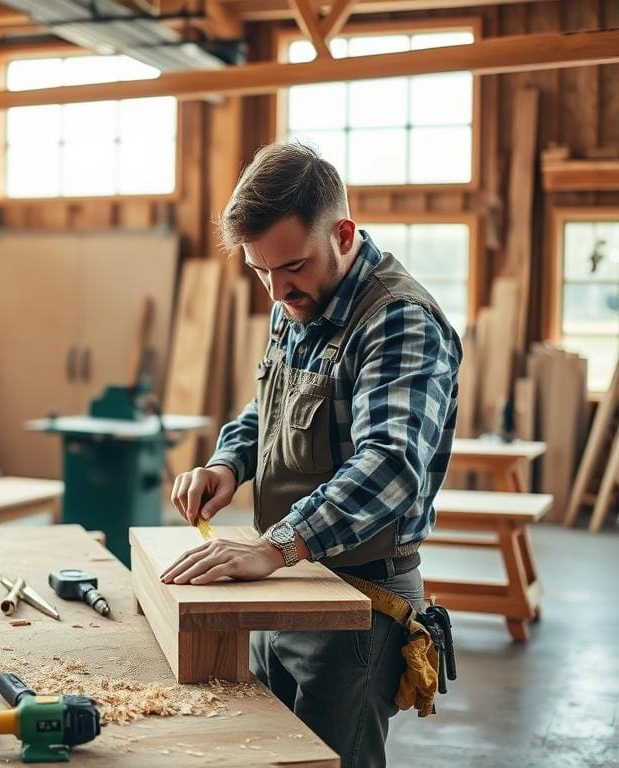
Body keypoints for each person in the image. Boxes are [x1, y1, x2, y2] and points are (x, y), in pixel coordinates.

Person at [162, 141, 462, 768]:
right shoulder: (297, 299)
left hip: (357, 604)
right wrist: (227, 464)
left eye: (291, 266)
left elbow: (392, 466)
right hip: (285, 580)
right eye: (260, 270)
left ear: (344, 234)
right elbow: (269, 410)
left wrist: (275, 545)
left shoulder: (398, 319)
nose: (276, 290)